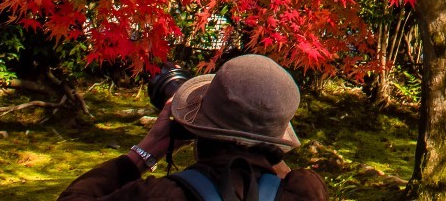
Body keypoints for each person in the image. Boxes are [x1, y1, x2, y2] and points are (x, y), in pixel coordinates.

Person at [60, 55, 326, 201]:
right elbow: (280, 178)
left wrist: (146, 150)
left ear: (196, 127)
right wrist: (266, 151)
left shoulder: (161, 194)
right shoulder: (304, 191)